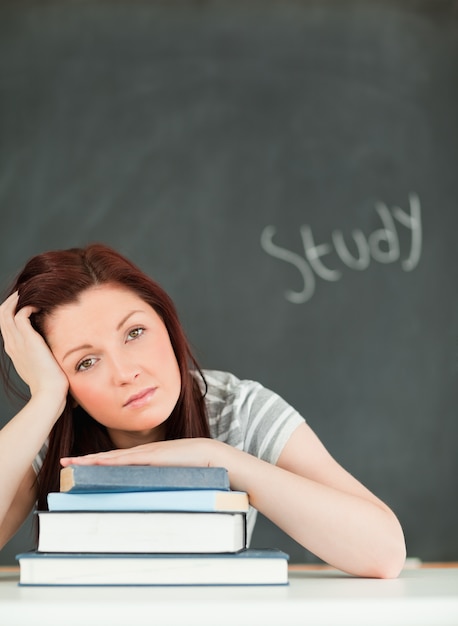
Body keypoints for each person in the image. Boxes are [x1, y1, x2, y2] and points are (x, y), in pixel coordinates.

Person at [0, 243, 406, 578]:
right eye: (85, 362)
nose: (126, 373)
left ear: (167, 323)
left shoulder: (239, 409)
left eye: (135, 333)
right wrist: (47, 398)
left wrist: (220, 459)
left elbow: (384, 552)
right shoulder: (48, 434)